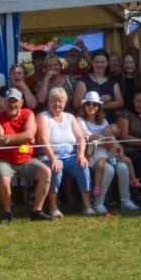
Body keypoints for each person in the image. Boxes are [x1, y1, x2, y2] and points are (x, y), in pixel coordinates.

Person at [0, 86, 53, 222]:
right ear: (5, 103)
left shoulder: (28, 113)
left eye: (15, 101)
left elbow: (29, 135)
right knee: (2, 176)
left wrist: (8, 138)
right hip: (4, 160)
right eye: (9, 101)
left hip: (26, 159)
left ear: (21, 103)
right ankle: (7, 212)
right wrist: (22, 138)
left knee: (46, 172)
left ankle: (37, 211)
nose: (12, 104)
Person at [38, 87, 90, 215]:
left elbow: (80, 138)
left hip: (70, 155)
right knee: (55, 169)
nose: (57, 104)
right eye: (54, 101)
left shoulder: (70, 117)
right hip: (50, 155)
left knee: (83, 166)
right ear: (48, 102)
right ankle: (53, 207)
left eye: (60, 101)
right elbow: (43, 139)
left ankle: (87, 205)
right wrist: (53, 158)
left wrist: (81, 154)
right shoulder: (43, 116)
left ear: (65, 103)